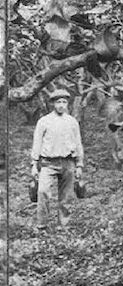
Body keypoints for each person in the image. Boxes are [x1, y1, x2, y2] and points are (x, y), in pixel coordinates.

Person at [30, 88, 84, 231]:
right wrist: (34, 164)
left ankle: (63, 225)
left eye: (64, 102)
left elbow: (78, 143)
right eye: (58, 102)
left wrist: (79, 165)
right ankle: (42, 225)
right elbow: (37, 143)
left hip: (68, 162)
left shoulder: (72, 122)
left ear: (67, 104)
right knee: (43, 192)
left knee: (66, 196)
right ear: (53, 103)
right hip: (48, 162)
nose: (61, 105)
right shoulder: (44, 121)